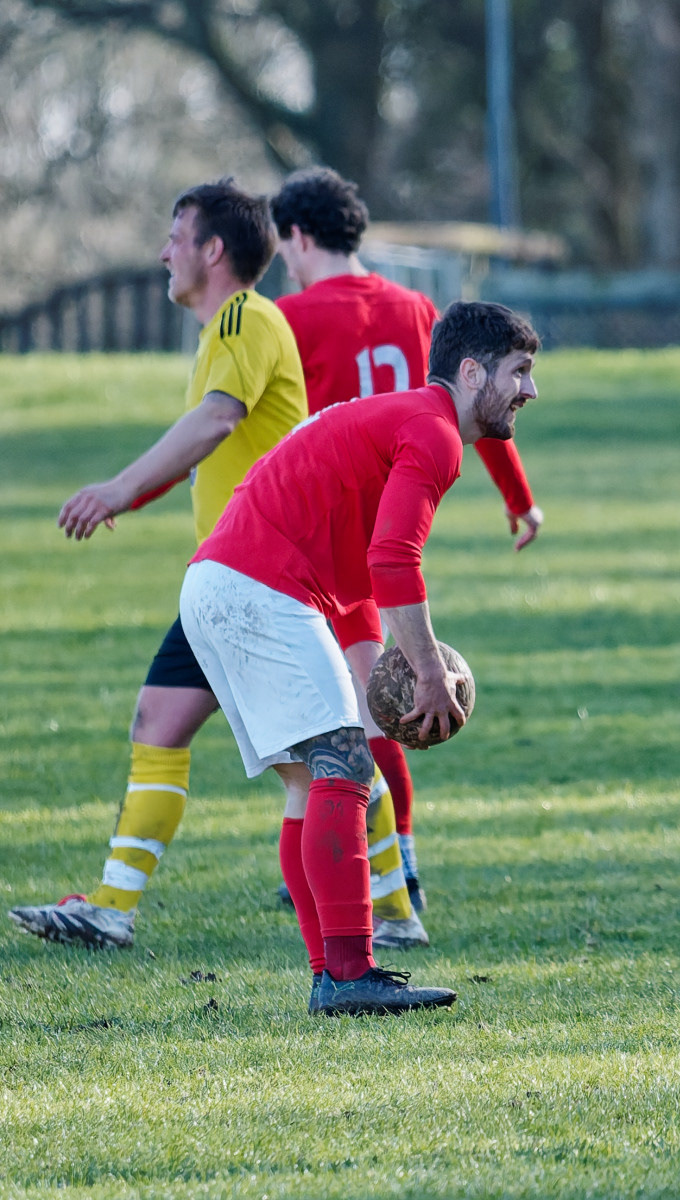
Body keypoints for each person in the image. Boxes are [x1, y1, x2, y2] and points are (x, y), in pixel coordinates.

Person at [177, 299, 537, 1015]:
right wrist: (428, 673)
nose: (531, 389)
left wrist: (384, 668)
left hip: (224, 584)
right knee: (345, 764)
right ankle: (349, 975)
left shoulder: (413, 420)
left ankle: (332, 976)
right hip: (258, 587)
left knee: (311, 783)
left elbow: (360, 566)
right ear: (472, 373)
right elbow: (393, 558)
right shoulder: (433, 433)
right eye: (520, 371)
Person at [9, 180, 307, 950]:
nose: (162, 252)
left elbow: (217, 421)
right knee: (160, 721)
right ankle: (111, 907)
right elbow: (203, 445)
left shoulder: (243, 317)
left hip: (261, 578)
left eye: (175, 237)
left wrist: (115, 488)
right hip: (228, 580)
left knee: (312, 760)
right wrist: (126, 497)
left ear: (214, 250)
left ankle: (391, 903)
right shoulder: (226, 331)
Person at [271, 168, 546, 948]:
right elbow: (470, 418)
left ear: (297, 237)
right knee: (375, 705)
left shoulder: (288, 318)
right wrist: (518, 497)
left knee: (357, 717)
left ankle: (380, 886)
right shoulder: (417, 308)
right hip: (382, 528)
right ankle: (393, 868)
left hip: (320, 538)